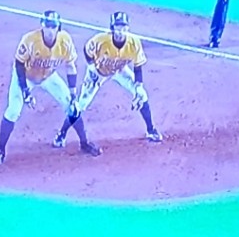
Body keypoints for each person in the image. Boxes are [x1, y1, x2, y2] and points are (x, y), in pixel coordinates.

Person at [0, 11, 102, 167]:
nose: (50, 30)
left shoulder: (65, 41)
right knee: (13, 110)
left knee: (73, 107)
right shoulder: (30, 40)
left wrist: (72, 93)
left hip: (49, 76)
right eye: (47, 26)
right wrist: (25, 91)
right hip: (26, 76)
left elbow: (70, 66)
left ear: (58, 27)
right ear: (42, 26)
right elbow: (19, 64)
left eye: (53, 27)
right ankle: (0, 151)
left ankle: (84, 143)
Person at [60, 11, 163, 143]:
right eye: (118, 27)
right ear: (112, 28)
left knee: (142, 95)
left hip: (120, 70)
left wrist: (138, 87)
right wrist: (91, 66)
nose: (121, 31)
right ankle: (61, 134)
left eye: (123, 27)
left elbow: (138, 66)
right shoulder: (101, 40)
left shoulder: (134, 42)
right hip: (98, 72)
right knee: (81, 104)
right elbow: (87, 50)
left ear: (128, 28)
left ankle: (151, 130)